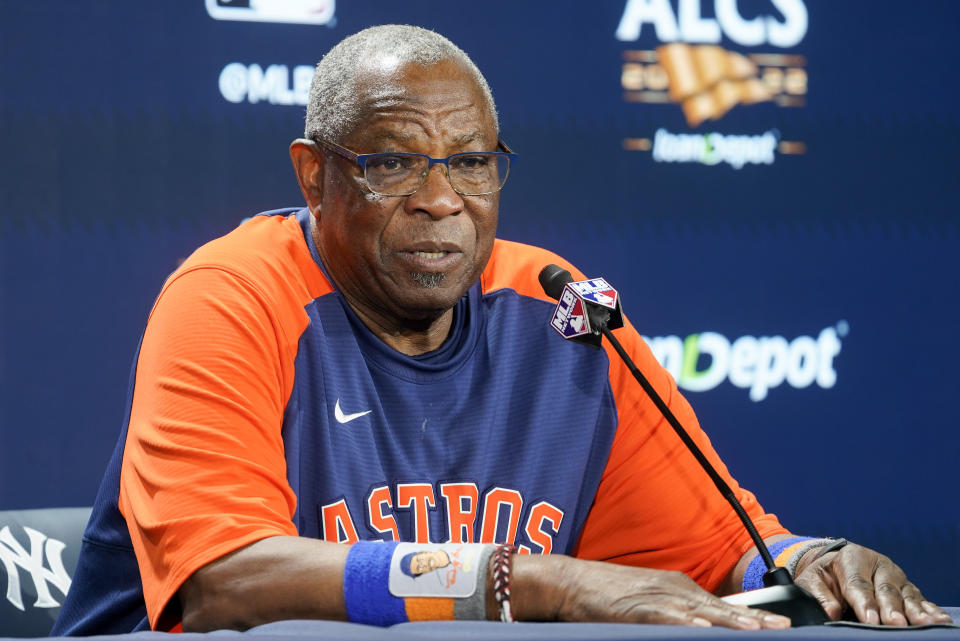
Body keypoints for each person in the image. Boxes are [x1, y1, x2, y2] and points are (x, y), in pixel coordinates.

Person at [53, 25, 951, 635]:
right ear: (315, 176)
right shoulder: (232, 294)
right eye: (393, 161)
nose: (441, 199)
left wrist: (812, 561)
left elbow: (718, 551)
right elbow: (226, 581)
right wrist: (536, 580)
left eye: (472, 162)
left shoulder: (558, 311)